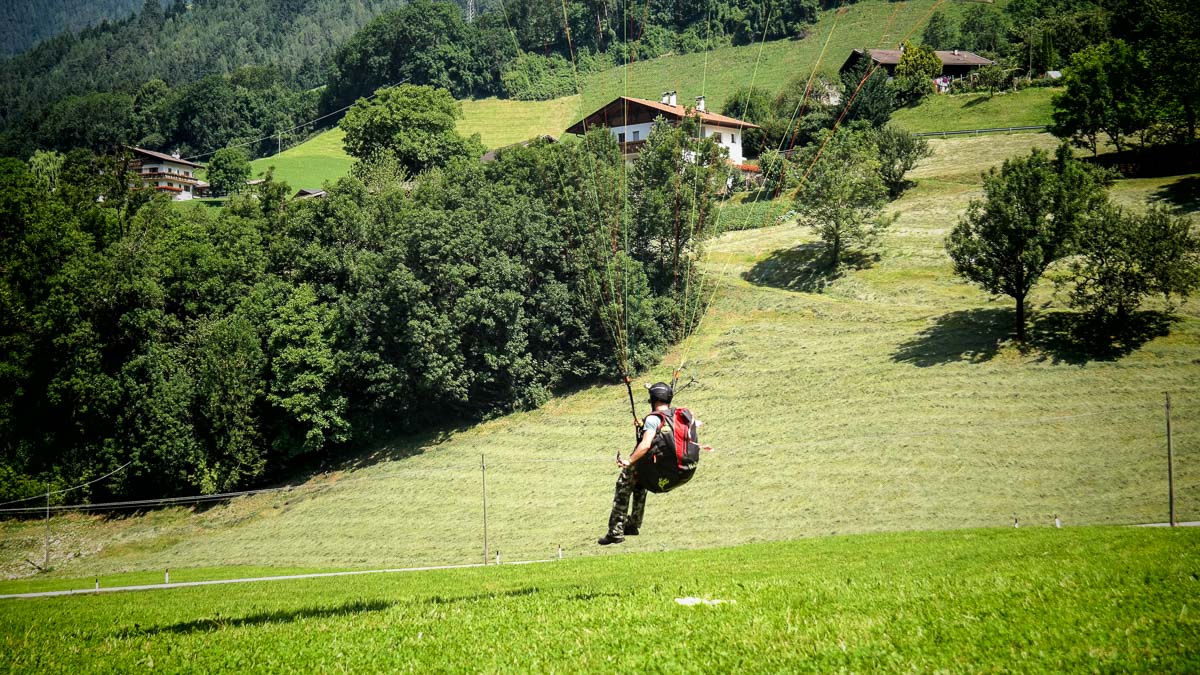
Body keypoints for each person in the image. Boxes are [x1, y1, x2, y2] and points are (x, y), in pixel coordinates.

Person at [599, 381, 702, 545]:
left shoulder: (654, 419)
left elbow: (646, 444)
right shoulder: (683, 415)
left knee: (625, 478)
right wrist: (644, 426)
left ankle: (615, 532)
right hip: (685, 472)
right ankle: (633, 525)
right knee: (639, 478)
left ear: (653, 399)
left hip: (664, 474)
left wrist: (628, 461)